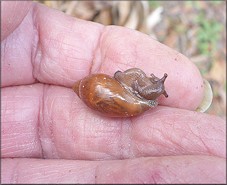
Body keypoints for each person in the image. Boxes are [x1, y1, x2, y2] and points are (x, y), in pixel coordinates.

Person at [1, 1, 225, 183]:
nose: (156, 88)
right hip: (99, 87)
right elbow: (122, 79)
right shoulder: (130, 92)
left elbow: (122, 78)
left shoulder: (130, 86)